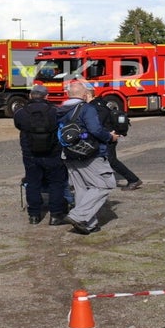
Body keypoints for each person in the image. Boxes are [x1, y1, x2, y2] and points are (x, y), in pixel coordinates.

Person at [55, 80, 117, 234]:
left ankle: (89, 224)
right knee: (105, 184)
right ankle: (78, 216)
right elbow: (95, 130)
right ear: (84, 95)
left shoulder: (60, 110)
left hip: (68, 153)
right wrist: (110, 137)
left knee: (81, 188)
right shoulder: (86, 108)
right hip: (89, 153)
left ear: (68, 94)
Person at [13, 85, 69, 225]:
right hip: (52, 152)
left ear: (30, 96)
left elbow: (19, 125)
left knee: (33, 183)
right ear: (47, 96)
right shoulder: (55, 111)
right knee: (56, 183)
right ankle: (55, 215)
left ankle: (34, 215)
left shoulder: (20, 112)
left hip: (30, 153)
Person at [89, 89, 141, 191]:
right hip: (109, 135)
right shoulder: (102, 103)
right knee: (104, 160)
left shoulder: (96, 107)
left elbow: (99, 124)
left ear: (87, 95)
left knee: (111, 160)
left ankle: (133, 179)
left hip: (108, 136)